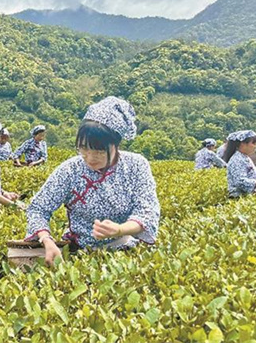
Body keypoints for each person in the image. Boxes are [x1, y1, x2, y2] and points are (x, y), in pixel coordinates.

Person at [25, 96, 160, 267]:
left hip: (125, 254)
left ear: (116, 144)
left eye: (99, 151)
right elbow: (38, 208)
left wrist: (120, 229)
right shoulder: (70, 169)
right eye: (83, 148)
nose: (89, 157)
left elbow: (147, 211)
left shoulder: (136, 165)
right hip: (79, 252)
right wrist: (46, 239)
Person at [222, 130, 256, 198]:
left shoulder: (244, 157)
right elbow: (240, 182)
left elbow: (250, 174)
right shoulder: (237, 160)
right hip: (239, 198)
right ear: (242, 144)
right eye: (253, 143)